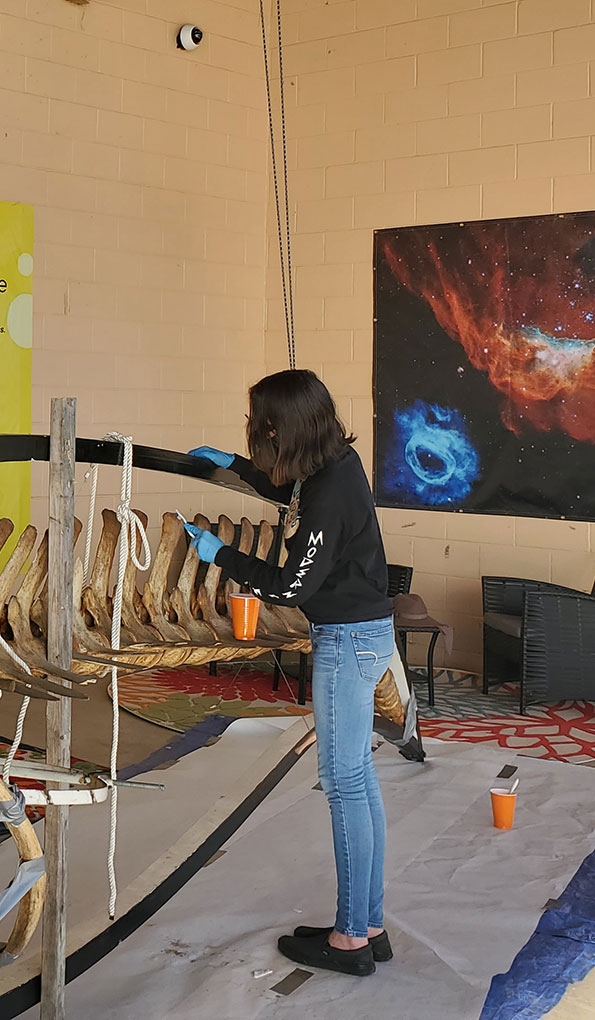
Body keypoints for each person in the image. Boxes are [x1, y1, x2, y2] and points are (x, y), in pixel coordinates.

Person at [186, 369, 395, 978]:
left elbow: (292, 585)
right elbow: (289, 490)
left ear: (282, 427)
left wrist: (218, 554)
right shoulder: (335, 464)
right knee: (360, 782)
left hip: (346, 642)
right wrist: (232, 466)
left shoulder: (328, 491)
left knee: (345, 784)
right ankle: (369, 924)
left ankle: (351, 939)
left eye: (259, 426)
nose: (255, 433)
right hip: (366, 633)